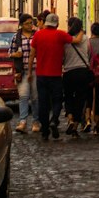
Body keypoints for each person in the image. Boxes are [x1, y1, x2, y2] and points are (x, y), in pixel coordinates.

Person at [32, 12, 71, 141]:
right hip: (55, 74)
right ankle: (54, 119)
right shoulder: (60, 35)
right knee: (57, 100)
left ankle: (44, 130)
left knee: (43, 103)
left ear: (45, 23)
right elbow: (75, 40)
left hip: (41, 75)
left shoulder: (38, 35)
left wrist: (29, 72)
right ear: (57, 24)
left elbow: (32, 54)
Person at [62, 17, 94, 137]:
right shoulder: (85, 38)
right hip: (82, 72)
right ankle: (75, 125)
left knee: (68, 97)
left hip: (69, 72)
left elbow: (62, 57)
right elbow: (89, 54)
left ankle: (70, 118)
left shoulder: (65, 40)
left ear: (69, 26)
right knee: (80, 99)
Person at [11, 14, 37, 133]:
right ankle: (23, 121)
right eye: (27, 23)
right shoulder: (16, 37)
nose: (30, 25)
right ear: (22, 25)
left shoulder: (36, 35)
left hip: (36, 70)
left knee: (35, 97)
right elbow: (10, 52)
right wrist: (16, 54)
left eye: (31, 23)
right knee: (23, 96)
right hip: (22, 70)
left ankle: (36, 121)